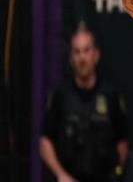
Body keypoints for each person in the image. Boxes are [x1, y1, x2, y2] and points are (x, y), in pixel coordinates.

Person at [40, 25, 128, 182]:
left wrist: (116, 173)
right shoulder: (61, 95)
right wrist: (60, 174)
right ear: (71, 58)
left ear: (96, 55)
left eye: (86, 50)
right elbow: (45, 141)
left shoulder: (110, 95)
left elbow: (122, 141)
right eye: (77, 51)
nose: (82, 58)